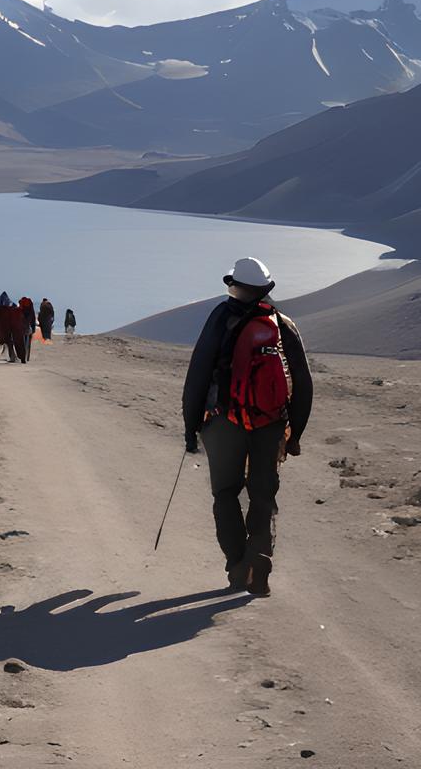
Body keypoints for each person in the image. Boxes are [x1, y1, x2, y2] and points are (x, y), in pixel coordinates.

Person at [180, 256, 313, 597]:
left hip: (225, 421)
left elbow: (197, 376)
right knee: (263, 495)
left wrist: (190, 426)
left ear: (234, 285)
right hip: (271, 423)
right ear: (266, 288)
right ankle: (260, 567)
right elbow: (303, 382)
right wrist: (294, 433)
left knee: (225, 493)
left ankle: (237, 565)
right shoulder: (281, 324)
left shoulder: (221, 319)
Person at [0, 292, 19, 361]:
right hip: (7, 329)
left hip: (5, 329)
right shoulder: (7, 307)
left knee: (9, 343)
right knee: (9, 342)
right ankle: (12, 357)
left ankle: (12, 357)